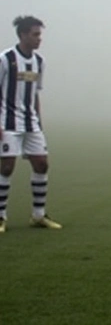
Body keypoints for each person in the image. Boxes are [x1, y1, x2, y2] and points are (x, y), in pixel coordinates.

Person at [0, 16, 62, 233]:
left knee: (42, 165)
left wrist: (39, 123)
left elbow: (35, 94)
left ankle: (38, 215)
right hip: (7, 123)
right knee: (6, 167)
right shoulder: (6, 59)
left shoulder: (39, 62)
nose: (39, 39)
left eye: (40, 35)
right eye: (35, 34)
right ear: (23, 35)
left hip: (31, 124)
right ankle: (1, 217)